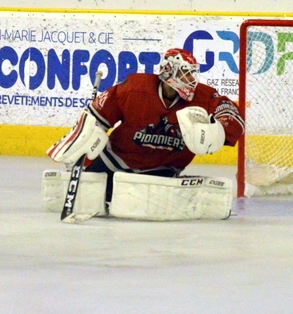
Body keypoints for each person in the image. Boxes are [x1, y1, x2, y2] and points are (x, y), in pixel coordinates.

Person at [47, 48, 245, 206]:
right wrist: (84, 137)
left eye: (192, 74)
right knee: (89, 194)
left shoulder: (204, 97)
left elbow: (233, 116)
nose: (190, 80)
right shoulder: (134, 88)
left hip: (162, 172)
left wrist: (220, 128)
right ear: (169, 72)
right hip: (115, 162)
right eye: (185, 74)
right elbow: (97, 116)